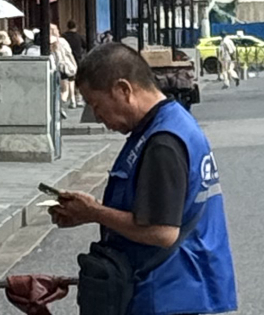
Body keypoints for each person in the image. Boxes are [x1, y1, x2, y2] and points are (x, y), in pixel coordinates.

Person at [50, 44, 238, 315]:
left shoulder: (162, 142)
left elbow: (161, 231)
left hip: (169, 293)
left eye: (96, 104)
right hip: (186, 286)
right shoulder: (172, 123)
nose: (98, 116)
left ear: (123, 90)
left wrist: (94, 212)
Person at [51, 23, 80, 109]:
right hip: (64, 66)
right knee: (66, 88)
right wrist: (74, 64)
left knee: (59, 87)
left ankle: (65, 102)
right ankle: (65, 103)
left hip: (54, 67)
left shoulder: (47, 42)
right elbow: (69, 54)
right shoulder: (61, 41)